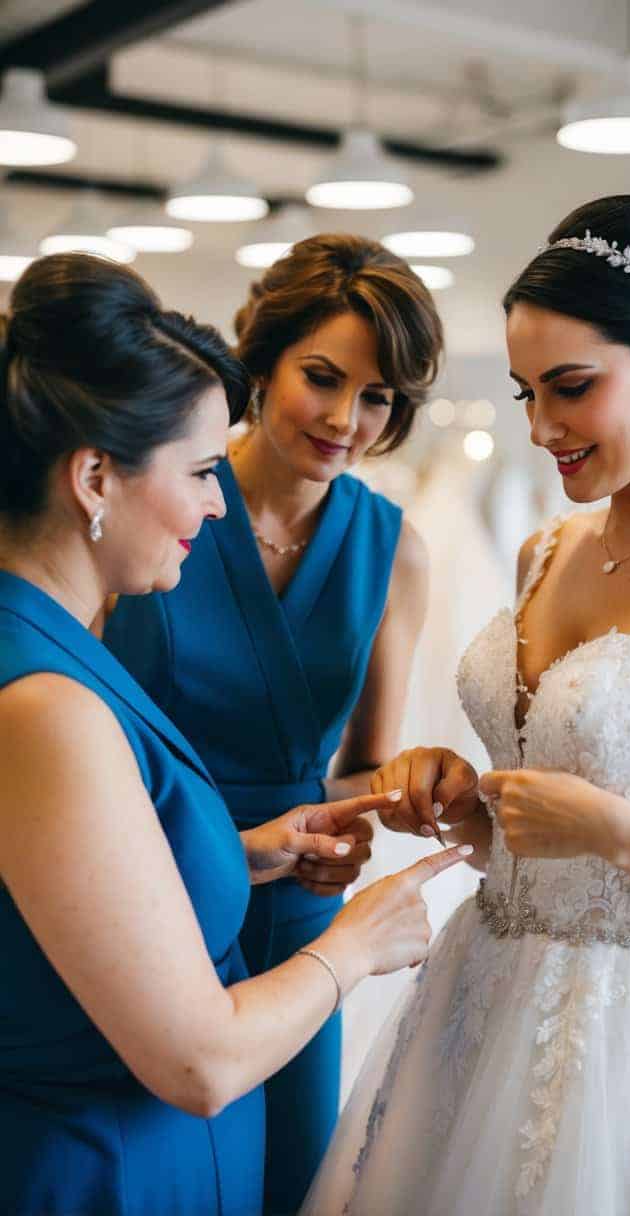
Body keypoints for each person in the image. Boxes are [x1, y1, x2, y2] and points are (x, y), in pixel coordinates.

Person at [299, 195, 630, 1215]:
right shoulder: (546, 549)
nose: (539, 428)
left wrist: (621, 835)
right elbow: (537, 820)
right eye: (525, 392)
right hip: (482, 999)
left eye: (570, 389)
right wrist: (463, 802)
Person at [0, 252, 471, 1216]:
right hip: (110, 1103)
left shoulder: (46, 632)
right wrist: (354, 946)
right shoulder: (54, 689)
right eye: (200, 471)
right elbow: (199, 1064)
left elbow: (104, 833)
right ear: (94, 477)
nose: (345, 420)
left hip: (240, 896)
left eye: (377, 396)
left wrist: (253, 847)